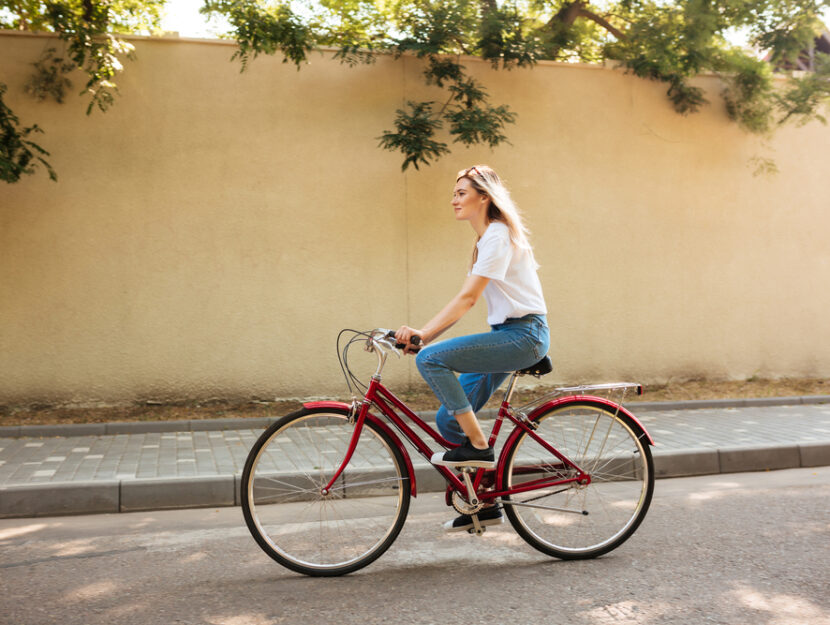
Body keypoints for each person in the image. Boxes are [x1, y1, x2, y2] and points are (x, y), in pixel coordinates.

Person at [395, 165, 550, 532]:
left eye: (461, 192)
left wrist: (425, 336)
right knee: (450, 419)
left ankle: (480, 448)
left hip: (523, 335)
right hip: (509, 334)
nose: (454, 199)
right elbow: (468, 300)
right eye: (454, 193)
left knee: (432, 359)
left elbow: (467, 299)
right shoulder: (487, 239)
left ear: (484, 197)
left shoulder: (497, 236)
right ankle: (485, 503)